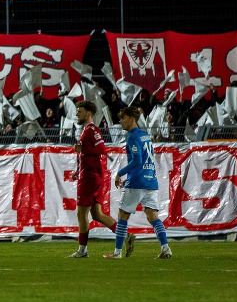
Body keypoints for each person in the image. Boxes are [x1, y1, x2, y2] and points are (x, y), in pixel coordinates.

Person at [105, 106, 172, 259]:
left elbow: (137, 160)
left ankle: (117, 253)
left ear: (132, 119)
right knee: (153, 216)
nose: (120, 121)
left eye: (123, 118)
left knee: (122, 215)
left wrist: (119, 173)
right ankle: (166, 248)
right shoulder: (145, 135)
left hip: (137, 181)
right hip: (151, 181)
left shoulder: (133, 137)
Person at [67, 101, 123, 258]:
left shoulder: (92, 130)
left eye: (80, 111)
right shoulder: (86, 130)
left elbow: (102, 150)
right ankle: (125, 235)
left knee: (81, 214)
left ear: (89, 113)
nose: (77, 114)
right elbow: (88, 155)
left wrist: (82, 149)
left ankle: (82, 250)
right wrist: (78, 170)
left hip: (90, 178)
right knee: (97, 214)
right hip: (90, 175)